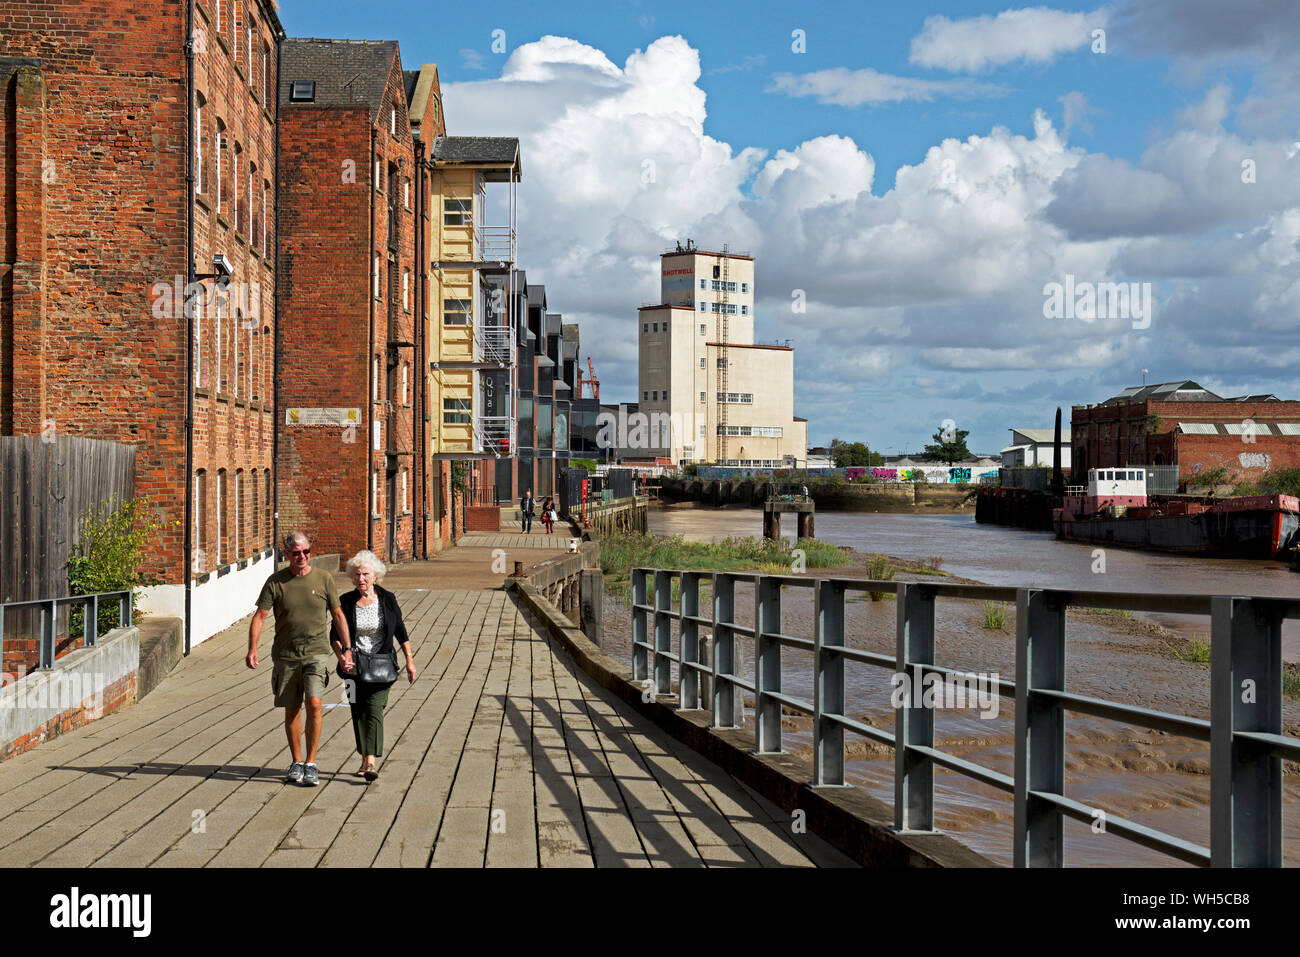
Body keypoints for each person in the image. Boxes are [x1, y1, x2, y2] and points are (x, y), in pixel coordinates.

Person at [247, 531, 351, 787]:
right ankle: (296, 761)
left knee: (314, 703)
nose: (302, 557)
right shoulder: (276, 582)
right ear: (287, 554)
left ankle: (311, 763)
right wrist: (252, 648)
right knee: (292, 708)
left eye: (306, 552)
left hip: (316, 652)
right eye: (296, 553)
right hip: (286, 655)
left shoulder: (324, 579)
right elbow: (260, 616)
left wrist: (347, 648)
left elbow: (337, 614)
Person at [332, 550, 415, 782]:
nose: (361, 579)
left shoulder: (387, 599)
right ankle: (363, 757)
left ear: (375, 575)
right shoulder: (346, 602)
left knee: (375, 709)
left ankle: (370, 761)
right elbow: (334, 635)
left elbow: (400, 630)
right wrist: (342, 657)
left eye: (365, 574)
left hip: (381, 665)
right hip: (353, 668)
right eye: (357, 575)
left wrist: (409, 660)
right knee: (357, 710)